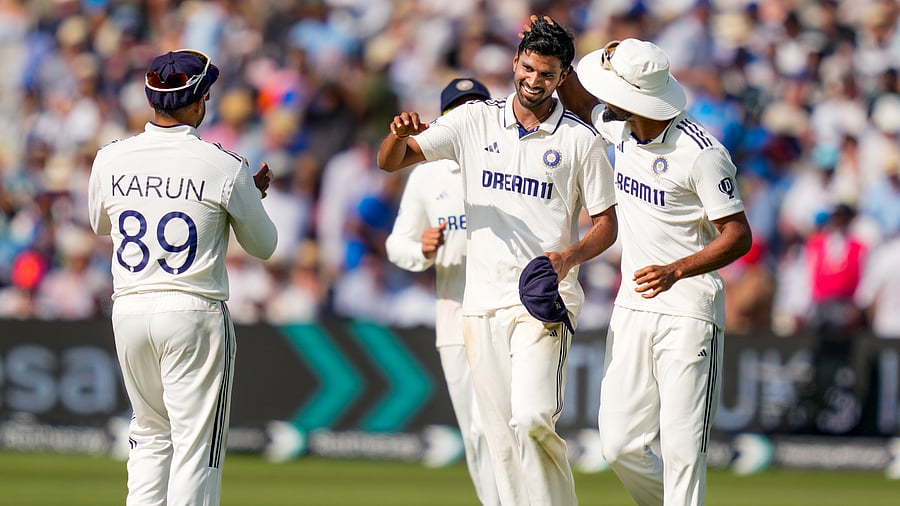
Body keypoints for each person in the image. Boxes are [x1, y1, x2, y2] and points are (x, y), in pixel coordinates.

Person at [377, 18, 618, 506]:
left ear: (562, 76)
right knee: (500, 445)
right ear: (514, 62)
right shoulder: (473, 120)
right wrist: (397, 135)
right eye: (528, 68)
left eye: (547, 74)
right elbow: (391, 162)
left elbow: (606, 225)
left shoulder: (580, 141)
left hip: (542, 302)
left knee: (531, 419)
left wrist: (570, 255)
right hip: (478, 305)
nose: (534, 81)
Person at [550, 24, 753, 506]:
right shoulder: (619, 127)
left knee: (683, 454)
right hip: (633, 308)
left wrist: (677, 269)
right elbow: (580, 102)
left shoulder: (702, 154)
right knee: (618, 445)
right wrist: (557, 47)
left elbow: (739, 235)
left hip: (689, 312)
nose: (605, 98)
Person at [88, 49, 278, 505]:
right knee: (196, 448)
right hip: (193, 307)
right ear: (198, 103)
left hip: (130, 307)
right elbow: (264, 246)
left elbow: (100, 223)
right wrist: (249, 198)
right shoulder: (223, 164)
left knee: (150, 436)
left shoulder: (110, 157)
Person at [385, 77, 500, 505]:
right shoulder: (427, 174)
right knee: (475, 429)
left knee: (517, 424)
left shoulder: (507, 165)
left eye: (477, 107)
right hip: (455, 318)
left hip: (507, 311)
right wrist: (422, 249)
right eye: (458, 109)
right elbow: (396, 244)